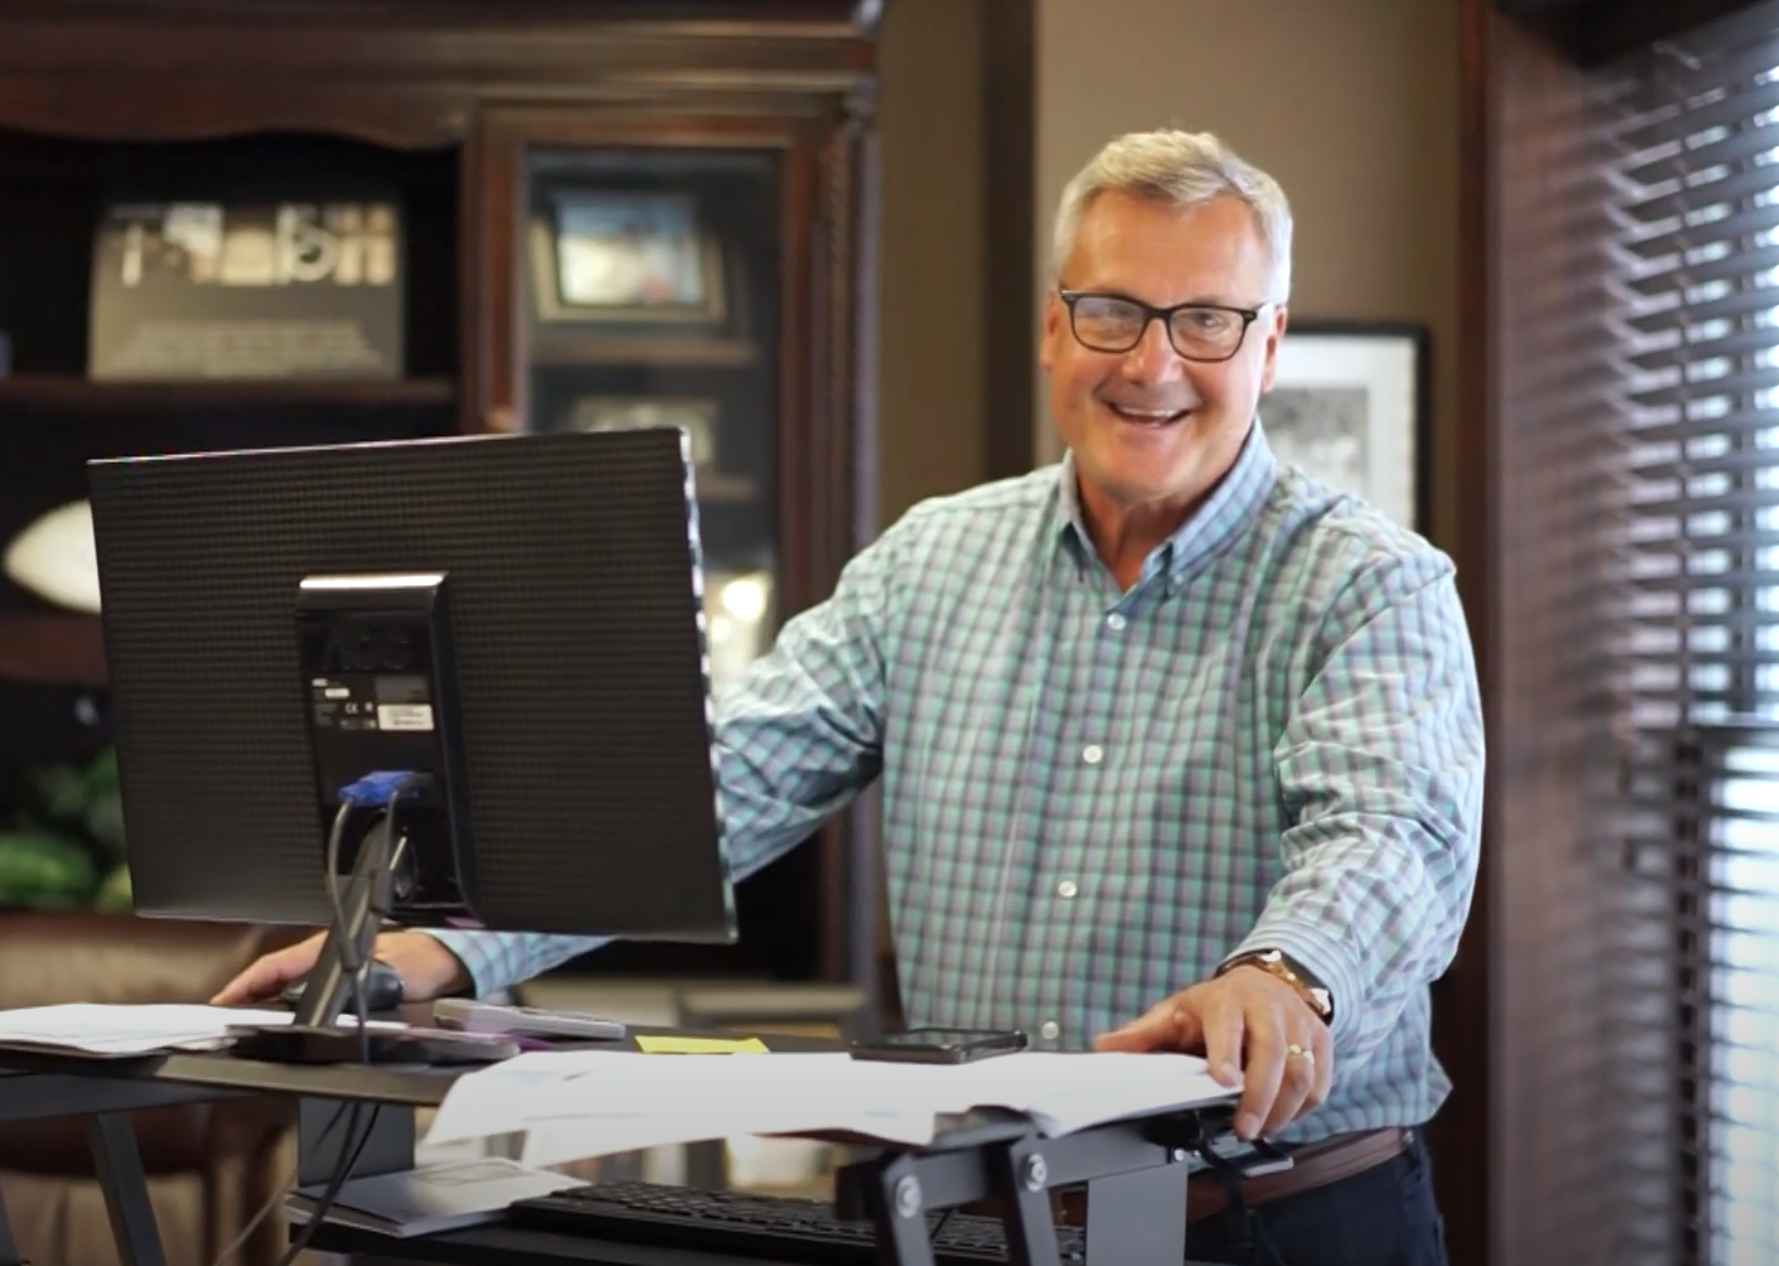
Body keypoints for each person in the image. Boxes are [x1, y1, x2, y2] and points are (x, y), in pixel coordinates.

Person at [216, 129, 1482, 1266]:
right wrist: (444, 945)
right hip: (980, 1217)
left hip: (1278, 1228)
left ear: (1267, 341)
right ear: (1053, 329)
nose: (1151, 363)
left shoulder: (1367, 583)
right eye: (1110, 312)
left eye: (1205, 319)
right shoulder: (929, 561)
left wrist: (1283, 974)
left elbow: (1391, 834)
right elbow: (725, 785)